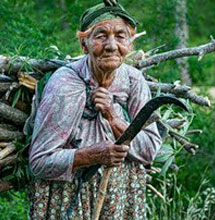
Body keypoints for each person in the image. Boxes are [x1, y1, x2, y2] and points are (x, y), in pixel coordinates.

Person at [28, 1, 162, 219]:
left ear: (130, 43)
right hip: (70, 198)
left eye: (120, 36)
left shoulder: (133, 81)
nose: (111, 45)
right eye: (101, 36)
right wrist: (89, 156)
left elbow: (148, 152)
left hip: (120, 198)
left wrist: (113, 116)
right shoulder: (65, 85)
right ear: (84, 44)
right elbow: (40, 162)